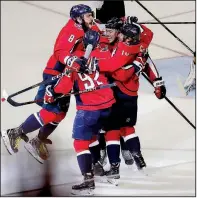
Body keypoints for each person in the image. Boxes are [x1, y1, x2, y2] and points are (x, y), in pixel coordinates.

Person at [1, 4, 101, 163]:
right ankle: (15, 133)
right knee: (52, 111)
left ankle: (38, 140)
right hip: (56, 74)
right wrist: (73, 60)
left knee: (59, 113)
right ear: (78, 18)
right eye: (88, 16)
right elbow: (60, 51)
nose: (92, 18)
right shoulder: (71, 31)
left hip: (67, 74)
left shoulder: (87, 27)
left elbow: (99, 31)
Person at [43, 29, 115, 195]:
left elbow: (64, 86)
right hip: (107, 106)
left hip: (88, 109)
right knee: (93, 137)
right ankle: (97, 166)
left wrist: (52, 92)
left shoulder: (75, 60)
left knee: (80, 143)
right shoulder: (105, 54)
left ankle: (88, 181)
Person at [100, 22, 166, 180]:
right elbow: (148, 34)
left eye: (122, 33)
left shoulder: (123, 49)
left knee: (111, 131)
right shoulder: (142, 46)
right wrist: (157, 83)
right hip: (132, 95)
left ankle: (114, 167)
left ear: (127, 38)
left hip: (117, 94)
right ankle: (139, 161)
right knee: (128, 128)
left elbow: (119, 74)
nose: (119, 35)